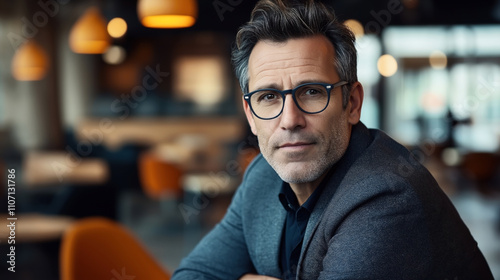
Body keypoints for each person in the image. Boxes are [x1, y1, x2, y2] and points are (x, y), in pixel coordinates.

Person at [172, 0, 494, 279]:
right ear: (250, 115)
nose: (290, 121)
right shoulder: (261, 178)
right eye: (269, 97)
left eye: (312, 92)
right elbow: (191, 275)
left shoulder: (387, 198)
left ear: (351, 104)